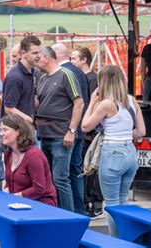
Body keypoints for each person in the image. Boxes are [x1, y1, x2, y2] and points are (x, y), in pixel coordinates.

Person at [82, 65, 145, 237]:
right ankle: (126, 238)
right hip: (130, 153)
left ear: (104, 82)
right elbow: (141, 132)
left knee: (110, 204)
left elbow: (85, 125)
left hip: (112, 154)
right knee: (123, 200)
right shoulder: (132, 101)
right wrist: (125, 135)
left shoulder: (106, 104)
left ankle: (114, 241)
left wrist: (92, 102)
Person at [36, 46, 84, 212]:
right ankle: (55, 212)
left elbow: (79, 102)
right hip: (45, 135)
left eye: (38, 57)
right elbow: (40, 102)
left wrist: (71, 131)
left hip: (60, 135)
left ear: (46, 58)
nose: (36, 61)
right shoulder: (42, 78)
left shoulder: (66, 75)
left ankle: (69, 217)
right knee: (50, 178)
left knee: (61, 178)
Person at [52, 43, 89, 215]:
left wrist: (71, 129)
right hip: (79, 128)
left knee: (63, 175)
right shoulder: (79, 71)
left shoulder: (63, 73)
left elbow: (76, 102)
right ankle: (79, 210)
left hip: (68, 130)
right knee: (75, 172)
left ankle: (68, 213)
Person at [71, 46, 103, 218]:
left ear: (84, 60)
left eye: (75, 58)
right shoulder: (78, 77)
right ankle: (85, 201)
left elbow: (94, 104)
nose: (72, 61)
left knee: (90, 168)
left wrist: (90, 128)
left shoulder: (92, 79)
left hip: (89, 131)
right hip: (83, 129)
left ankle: (93, 202)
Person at [0, 114, 57, 206]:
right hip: (18, 202)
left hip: (41, 203)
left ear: (18, 131)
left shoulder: (33, 155)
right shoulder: (8, 154)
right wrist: (6, 192)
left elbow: (39, 189)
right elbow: (10, 182)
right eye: (0, 130)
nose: (1, 134)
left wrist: (13, 197)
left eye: (5, 130)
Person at [1, 35, 41, 123]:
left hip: (26, 129)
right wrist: (29, 120)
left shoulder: (31, 72)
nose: (39, 56)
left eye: (39, 52)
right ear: (23, 53)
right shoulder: (15, 77)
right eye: (34, 53)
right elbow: (9, 109)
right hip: (16, 131)